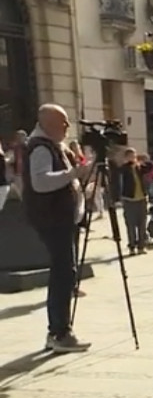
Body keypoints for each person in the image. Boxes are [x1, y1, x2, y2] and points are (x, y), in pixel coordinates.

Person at [21, 104, 92, 352]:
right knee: (63, 272)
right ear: (48, 123)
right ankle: (59, 332)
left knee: (66, 271)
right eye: (63, 122)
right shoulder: (41, 147)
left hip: (62, 218)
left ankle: (59, 330)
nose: (67, 126)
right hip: (52, 219)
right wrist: (73, 173)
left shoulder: (55, 146)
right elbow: (40, 183)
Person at [115, 148, 149, 255]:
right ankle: (132, 246)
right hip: (129, 199)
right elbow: (118, 177)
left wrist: (143, 160)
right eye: (130, 156)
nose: (133, 158)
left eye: (134, 156)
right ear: (126, 157)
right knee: (131, 224)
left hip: (142, 198)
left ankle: (141, 246)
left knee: (142, 224)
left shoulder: (139, 167)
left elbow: (150, 166)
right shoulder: (124, 168)